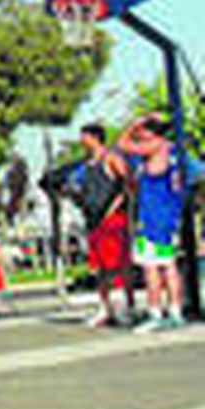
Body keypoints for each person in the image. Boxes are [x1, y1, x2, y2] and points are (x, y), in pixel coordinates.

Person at [51, 123, 132, 327]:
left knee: (117, 265)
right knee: (101, 267)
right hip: (92, 219)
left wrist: (115, 207)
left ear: (94, 137)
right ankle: (105, 309)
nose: (81, 141)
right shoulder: (85, 166)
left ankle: (123, 309)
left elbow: (128, 184)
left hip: (112, 219)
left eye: (84, 136)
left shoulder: (111, 158)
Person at [117, 114, 188, 330]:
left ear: (151, 132)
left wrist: (134, 123)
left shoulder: (155, 147)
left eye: (142, 130)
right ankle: (175, 311)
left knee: (151, 267)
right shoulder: (173, 149)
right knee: (168, 265)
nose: (139, 134)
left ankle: (155, 312)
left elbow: (122, 144)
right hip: (168, 213)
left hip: (153, 217)